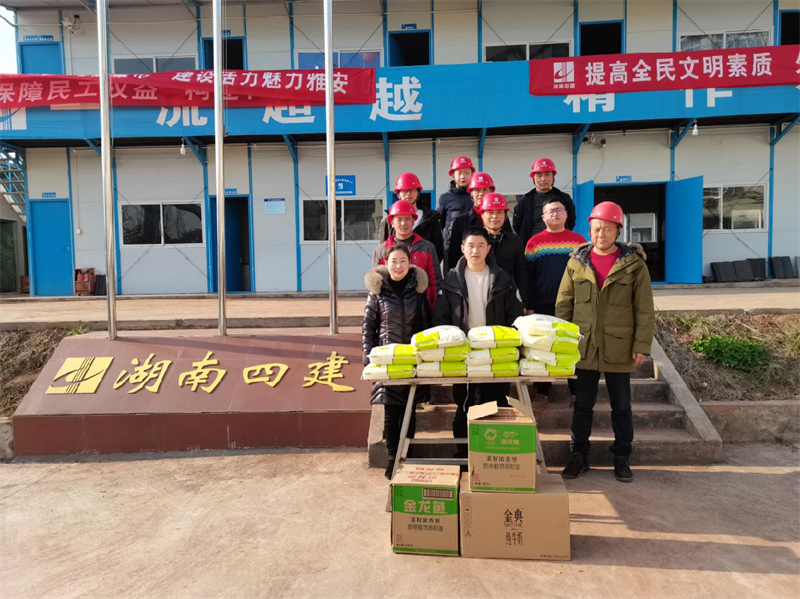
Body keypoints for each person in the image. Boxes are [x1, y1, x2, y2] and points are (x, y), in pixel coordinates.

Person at [555, 201, 655, 483]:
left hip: (619, 345)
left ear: (618, 230)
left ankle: (622, 458)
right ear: (590, 229)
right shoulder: (576, 263)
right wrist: (561, 343)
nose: (601, 234)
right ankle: (579, 455)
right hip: (584, 346)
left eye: (607, 229)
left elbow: (644, 309)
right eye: (597, 228)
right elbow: (564, 305)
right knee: (582, 405)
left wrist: (641, 345)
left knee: (621, 406)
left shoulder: (633, 265)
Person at [433, 227, 524, 453]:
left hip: (495, 354)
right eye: (470, 246)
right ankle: (464, 455)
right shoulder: (451, 280)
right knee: (464, 405)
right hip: (463, 353)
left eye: (481, 245)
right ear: (462, 248)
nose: (475, 250)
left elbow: (515, 316)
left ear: (489, 248)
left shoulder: (502, 279)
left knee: (495, 404)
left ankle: (490, 457)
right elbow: (441, 318)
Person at [362, 245, 432, 479]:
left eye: (403, 261)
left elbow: (426, 327)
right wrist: (368, 358)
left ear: (410, 263)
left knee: (410, 411)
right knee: (391, 412)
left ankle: (408, 455)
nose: (398, 266)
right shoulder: (377, 292)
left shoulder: (418, 292)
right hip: (387, 361)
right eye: (394, 261)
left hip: (411, 360)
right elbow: (368, 328)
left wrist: (426, 359)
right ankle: (393, 458)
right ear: (386, 263)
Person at [524, 196, 587, 404]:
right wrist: (529, 305)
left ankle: (576, 391)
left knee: (572, 345)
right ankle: (542, 390)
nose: (555, 214)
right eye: (550, 211)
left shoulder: (578, 241)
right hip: (542, 302)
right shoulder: (534, 243)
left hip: (573, 303)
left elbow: (586, 273)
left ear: (566, 214)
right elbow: (528, 277)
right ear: (543, 217)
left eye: (559, 210)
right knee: (542, 347)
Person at [373, 199, 443, 308]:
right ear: (392, 222)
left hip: (421, 309)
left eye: (407, 219)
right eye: (399, 219)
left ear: (413, 221)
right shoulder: (382, 250)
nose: (403, 223)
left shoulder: (427, 248)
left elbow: (435, 283)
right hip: (391, 310)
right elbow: (376, 284)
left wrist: (436, 311)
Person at [444, 172, 511, 273]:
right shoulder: (460, 222)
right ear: (470, 193)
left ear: (491, 191)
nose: (481, 194)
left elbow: (510, 246)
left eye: (485, 190)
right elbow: (453, 257)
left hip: (499, 275)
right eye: (477, 190)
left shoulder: (501, 219)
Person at [478, 192, 529, 308]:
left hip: (509, 298)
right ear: (482, 215)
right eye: (490, 212)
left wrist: (526, 304)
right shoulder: (474, 240)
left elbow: (522, 273)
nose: (495, 216)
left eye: (499, 212)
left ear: (505, 216)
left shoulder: (515, 241)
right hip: (480, 297)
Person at [379, 172, 444, 263]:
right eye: (404, 190)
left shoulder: (431, 219)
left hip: (423, 270)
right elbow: (383, 251)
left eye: (412, 190)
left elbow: (438, 252)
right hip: (396, 270)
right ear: (398, 194)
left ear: (418, 193)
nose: (408, 194)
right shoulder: (389, 220)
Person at [513, 158, 577, 245]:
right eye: (539, 175)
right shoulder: (525, 201)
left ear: (553, 176)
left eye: (547, 174)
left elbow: (571, 221)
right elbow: (517, 225)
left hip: (562, 245)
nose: (543, 179)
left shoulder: (564, 198)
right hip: (533, 247)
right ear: (533, 178)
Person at [437, 156, 475, 256]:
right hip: (451, 245)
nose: (463, 176)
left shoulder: (476, 196)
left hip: (473, 245)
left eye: (466, 173)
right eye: (459, 173)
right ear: (452, 175)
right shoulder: (445, 198)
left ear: (472, 174)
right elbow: (440, 223)